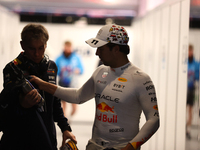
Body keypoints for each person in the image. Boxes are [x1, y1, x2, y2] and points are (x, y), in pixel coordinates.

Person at [30, 24, 160, 150]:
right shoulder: (100, 71)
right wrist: (43, 85)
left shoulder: (141, 79)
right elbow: (78, 96)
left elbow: (153, 119)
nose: (97, 53)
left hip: (123, 147)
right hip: (94, 145)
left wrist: (131, 147)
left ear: (116, 49)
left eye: (101, 49)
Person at [0, 23, 76, 150]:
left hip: (46, 138)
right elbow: (5, 106)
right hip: (17, 139)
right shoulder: (12, 68)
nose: (37, 53)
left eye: (41, 48)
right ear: (22, 45)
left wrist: (65, 128)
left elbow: (55, 101)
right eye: (32, 49)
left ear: (46, 45)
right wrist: (23, 104)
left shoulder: (51, 66)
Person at [56, 41, 84, 118]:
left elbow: (81, 70)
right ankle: (65, 121)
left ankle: (70, 118)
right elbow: (55, 70)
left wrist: (77, 70)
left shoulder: (76, 58)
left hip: (73, 84)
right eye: (66, 47)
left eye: (69, 47)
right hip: (63, 83)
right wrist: (62, 71)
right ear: (64, 47)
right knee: (63, 104)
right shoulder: (59, 58)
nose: (67, 49)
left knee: (74, 106)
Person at [186, 44, 199, 140]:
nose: (189, 53)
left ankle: (188, 129)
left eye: (190, 51)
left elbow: (197, 77)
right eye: (188, 51)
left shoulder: (196, 64)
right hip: (184, 90)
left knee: (190, 110)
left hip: (192, 89)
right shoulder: (184, 63)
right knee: (183, 110)